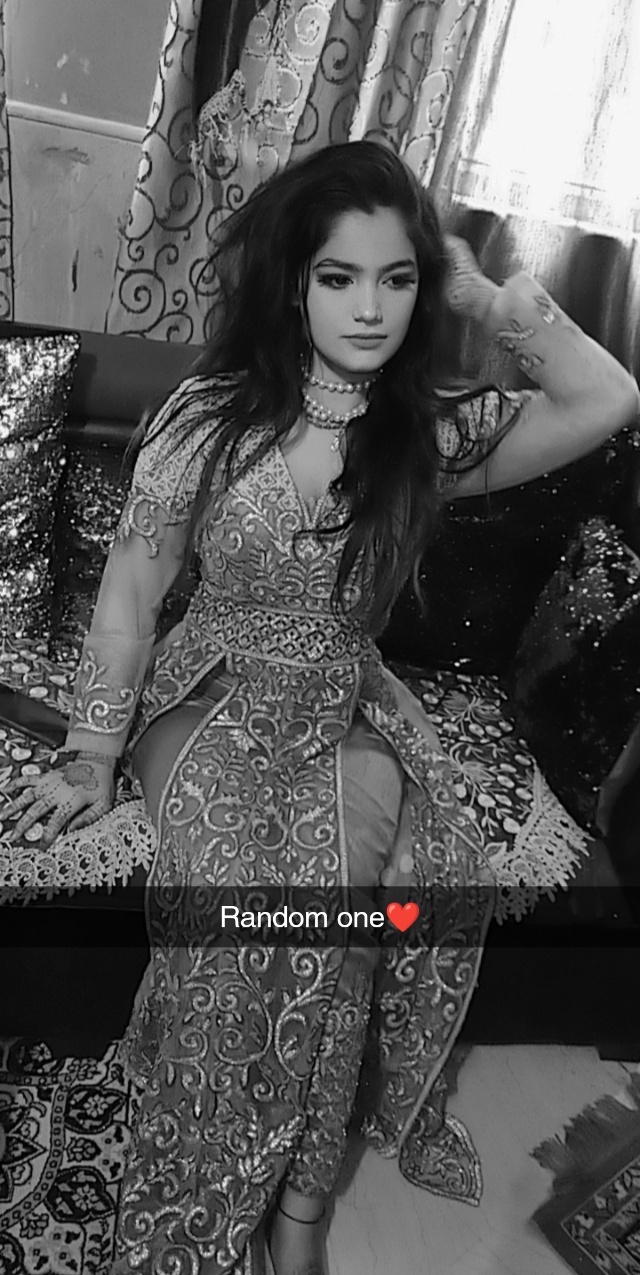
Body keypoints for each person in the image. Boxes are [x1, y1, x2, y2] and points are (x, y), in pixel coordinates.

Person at [3, 141, 638, 1275]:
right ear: (293, 279)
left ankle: (299, 1202)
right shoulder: (212, 416)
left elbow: (607, 396)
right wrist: (93, 750)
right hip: (209, 694)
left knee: (346, 918)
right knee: (240, 917)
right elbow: (136, 587)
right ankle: (206, 1169)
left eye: (397, 279)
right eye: (338, 276)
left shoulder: (427, 435)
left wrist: (482, 293)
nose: (370, 308)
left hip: (346, 708)